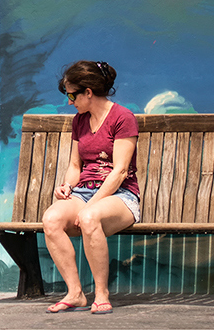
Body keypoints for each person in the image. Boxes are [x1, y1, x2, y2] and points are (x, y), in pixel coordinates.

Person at [42, 60, 141, 315]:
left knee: (88, 217)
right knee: (51, 219)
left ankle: (101, 293)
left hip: (120, 195)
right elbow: (75, 165)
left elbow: (119, 172)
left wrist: (92, 203)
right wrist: (66, 186)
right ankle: (75, 293)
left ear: (88, 92)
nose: (69, 101)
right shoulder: (79, 121)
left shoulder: (123, 117)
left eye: (72, 94)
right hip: (85, 191)